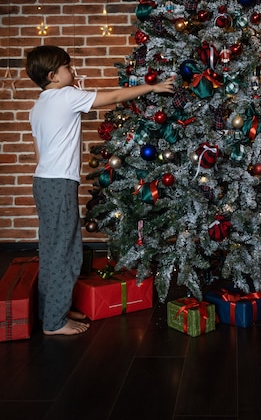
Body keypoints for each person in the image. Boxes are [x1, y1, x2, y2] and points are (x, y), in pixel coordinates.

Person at [25, 45, 175, 336]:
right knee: (65, 252)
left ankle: (52, 310)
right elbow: (115, 96)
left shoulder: (39, 105)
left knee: (51, 249)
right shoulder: (66, 96)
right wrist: (152, 87)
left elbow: (38, 152)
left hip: (42, 182)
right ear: (53, 75)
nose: (74, 71)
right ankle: (55, 323)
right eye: (69, 67)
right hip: (58, 184)